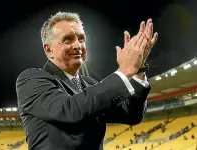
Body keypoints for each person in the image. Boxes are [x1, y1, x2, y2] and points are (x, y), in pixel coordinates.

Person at [16, 11, 158, 150]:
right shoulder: (31, 80)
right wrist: (124, 71)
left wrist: (138, 69)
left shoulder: (89, 83)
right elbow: (70, 110)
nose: (78, 45)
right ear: (48, 50)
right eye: (68, 39)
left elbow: (131, 115)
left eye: (81, 39)